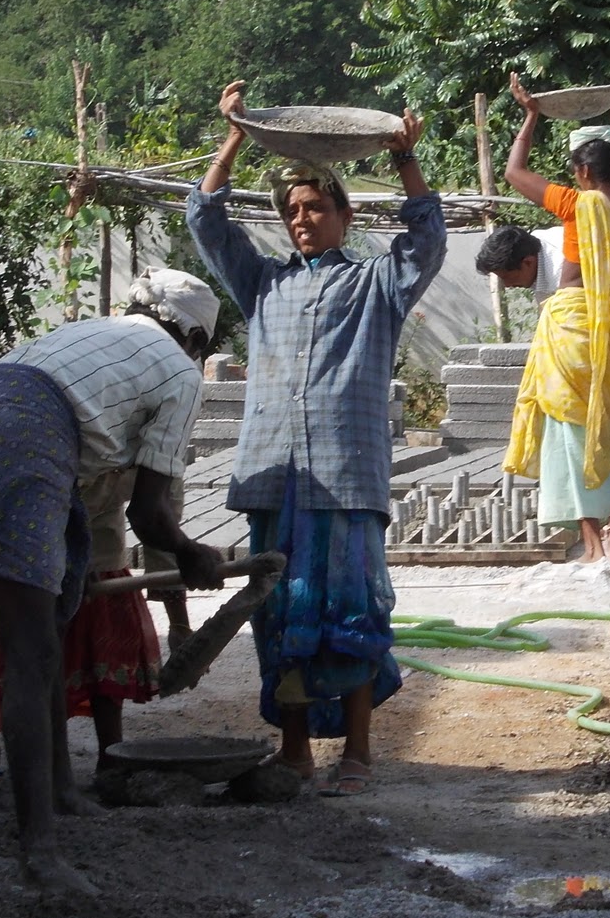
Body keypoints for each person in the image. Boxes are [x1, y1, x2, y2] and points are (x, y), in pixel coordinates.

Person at [187, 80, 445, 798]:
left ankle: (357, 754)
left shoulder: (377, 286)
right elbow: (206, 221)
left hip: (346, 477)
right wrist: (235, 135)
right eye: (292, 212)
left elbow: (427, 235)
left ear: (342, 214)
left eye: (315, 208)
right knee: (282, 612)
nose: (302, 221)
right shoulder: (264, 286)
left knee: (351, 610)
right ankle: (295, 751)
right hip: (274, 475)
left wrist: (404, 161)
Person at [0, 274, 224, 892]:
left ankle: (61, 792)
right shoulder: (179, 372)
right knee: (31, 655)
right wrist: (191, 552)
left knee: (49, 635)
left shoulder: (92, 333)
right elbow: (149, 513)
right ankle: (39, 856)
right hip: (28, 445)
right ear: (195, 336)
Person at [500, 73, 610, 563]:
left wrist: (531, 114)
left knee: (571, 433)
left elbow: (513, 173)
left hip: (571, 330)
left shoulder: (575, 206)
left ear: (582, 174)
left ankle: (590, 546)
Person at [475, 222, 610, 531]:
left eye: (508, 277)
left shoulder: (570, 266)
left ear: (528, 263)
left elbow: (601, 328)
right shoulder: (544, 265)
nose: (507, 286)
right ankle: (600, 502)